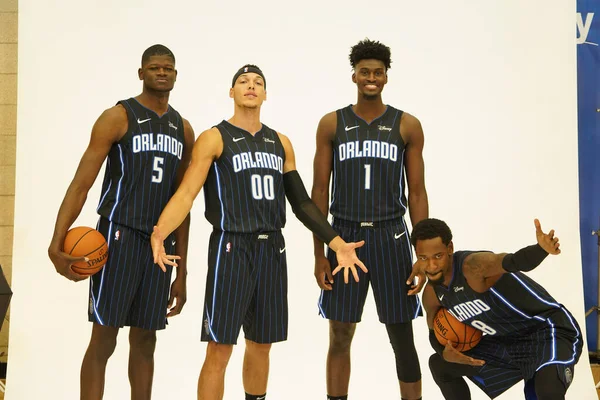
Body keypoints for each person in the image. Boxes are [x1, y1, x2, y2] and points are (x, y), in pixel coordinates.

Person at [149, 64, 367, 400]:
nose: (251, 86)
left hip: (272, 250)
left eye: (258, 82)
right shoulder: (214, 137)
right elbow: (186, 194)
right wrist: (161, 231)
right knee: (220, 348)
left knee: (261, 344)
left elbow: (303, 204)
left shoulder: (280, 142)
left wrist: (336, 242)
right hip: (231, 247)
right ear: (231, 92)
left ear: (265, 94)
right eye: (243, 81)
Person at [47, 44, 194, 400]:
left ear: (176, 75)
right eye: (155, 67)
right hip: (119, 237)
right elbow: (82, 183)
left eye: (169, 68)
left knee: (146, 339)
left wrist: (183, 271)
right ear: (141, 73)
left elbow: (183, 203)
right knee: (105, 336)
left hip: (161, 246)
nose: (163, 72)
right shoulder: (118, 116)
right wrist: (56, 242)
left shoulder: (184, 129)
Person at [311, 38, 428, 400]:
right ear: (354, 76)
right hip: (342, 236)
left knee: (401, 334)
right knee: (340, 334)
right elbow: (318, 193)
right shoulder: (332, 123)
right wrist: (319, 253)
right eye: (365, 72)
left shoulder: (406, 125)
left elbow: (418, 193)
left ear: (386, 77)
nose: (371, 77)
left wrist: (421, 255)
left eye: (378, 72)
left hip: (391, 236)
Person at [413, 218, 582, 400]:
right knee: (440, 365)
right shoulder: (432, 294)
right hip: (507, 342)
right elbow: (434, 333)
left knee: (546, 392)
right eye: (423, 258)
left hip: (547, 330)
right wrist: (444, 351)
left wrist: (541, 249)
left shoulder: (473, 267)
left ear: (450, 249)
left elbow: (514, 261)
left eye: (438, 256)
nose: (431, 265)